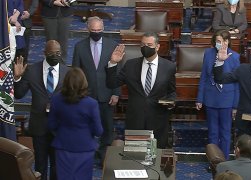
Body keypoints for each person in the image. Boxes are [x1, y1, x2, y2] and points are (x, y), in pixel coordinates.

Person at [106, 32, 176, 149]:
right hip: (135, 118)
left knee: (156, 157)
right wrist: (113, 63)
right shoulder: (130, 65)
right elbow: (111, 83)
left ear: (157, 47)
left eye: (149, 44)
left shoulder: (169, 67)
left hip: (158, 119)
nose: (145, 48)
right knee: (135, 156)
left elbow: (171, 91)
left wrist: (170, 102)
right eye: (143, 44)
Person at [14, 40, 69, 180]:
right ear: (44, 53)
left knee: (58, 166)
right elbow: (19, 94)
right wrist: (17, 77)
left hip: (59, 127)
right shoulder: (32, 70)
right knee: (40, 166)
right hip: (39, 126)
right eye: (51, 53)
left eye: (58, 53)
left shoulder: (67, 72)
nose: (55, 55)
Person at [72, 16, 120, 165]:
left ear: (103, 29)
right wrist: (77, 94)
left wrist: (115, 92)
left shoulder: (112, 45)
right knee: (86, 128)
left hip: (106, 94)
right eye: (93, 30)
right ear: (88, 29)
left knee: (107, 128)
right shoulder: (79, 47)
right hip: (86, 95)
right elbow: (76, 72)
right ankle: (87, 155)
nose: (96, 32)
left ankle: (103, 157)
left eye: (99, 30)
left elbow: (116, 72)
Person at [48, 67, 103, 180]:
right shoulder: (91, 104)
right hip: (85, 148)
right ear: (84, 83)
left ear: (66, 82)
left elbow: (51, 125)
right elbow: (99, 131)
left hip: (63, 146)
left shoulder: (56, 100)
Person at [196, 30, 240, 160]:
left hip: (227, 99)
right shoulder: (208, 53)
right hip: (211, 97)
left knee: (225, 133)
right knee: (213, 132)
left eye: (225, 41)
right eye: (219, 41)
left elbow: (237, 82)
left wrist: (236, 105)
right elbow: (204, 76)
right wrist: (200, 98)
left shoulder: (235, 56)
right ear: (214, 42)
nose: (222, 44)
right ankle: (214, 160)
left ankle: (224, 160)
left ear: (229, 41)